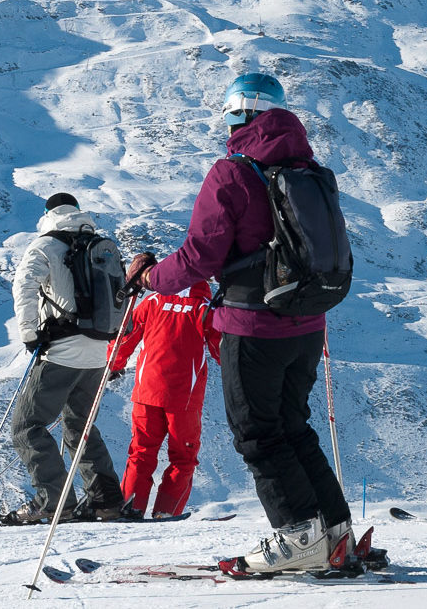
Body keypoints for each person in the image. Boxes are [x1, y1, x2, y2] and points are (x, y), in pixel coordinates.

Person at [125, 73, 357, 574]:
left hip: (253, 327)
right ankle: (336, 533)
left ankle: (298, 537)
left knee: (257, 434)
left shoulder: (232, 173)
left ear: (240, 115)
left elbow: (198, 258)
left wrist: (149, 279)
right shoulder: (307, 167)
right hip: (307, 323)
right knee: (294, 427)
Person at [1, 193, 126, 524]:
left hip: (61, 351)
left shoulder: (46, 245)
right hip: (98, 352)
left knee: (27, 426)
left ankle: (54, 501)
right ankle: (106, 501)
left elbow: (24, 287)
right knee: (80, 425)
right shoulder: (100, 243)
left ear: (47, 214)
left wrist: (30, 336)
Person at [107, 281, 221, 519]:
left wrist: (113, 363)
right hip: (184, 398)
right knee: (183, 457)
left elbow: (126, 335)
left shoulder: (154, 301)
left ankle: (130, 506)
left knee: (141, 452)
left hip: (146, 393)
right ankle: (166, 512)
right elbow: (222, 351)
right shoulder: (206, 309)